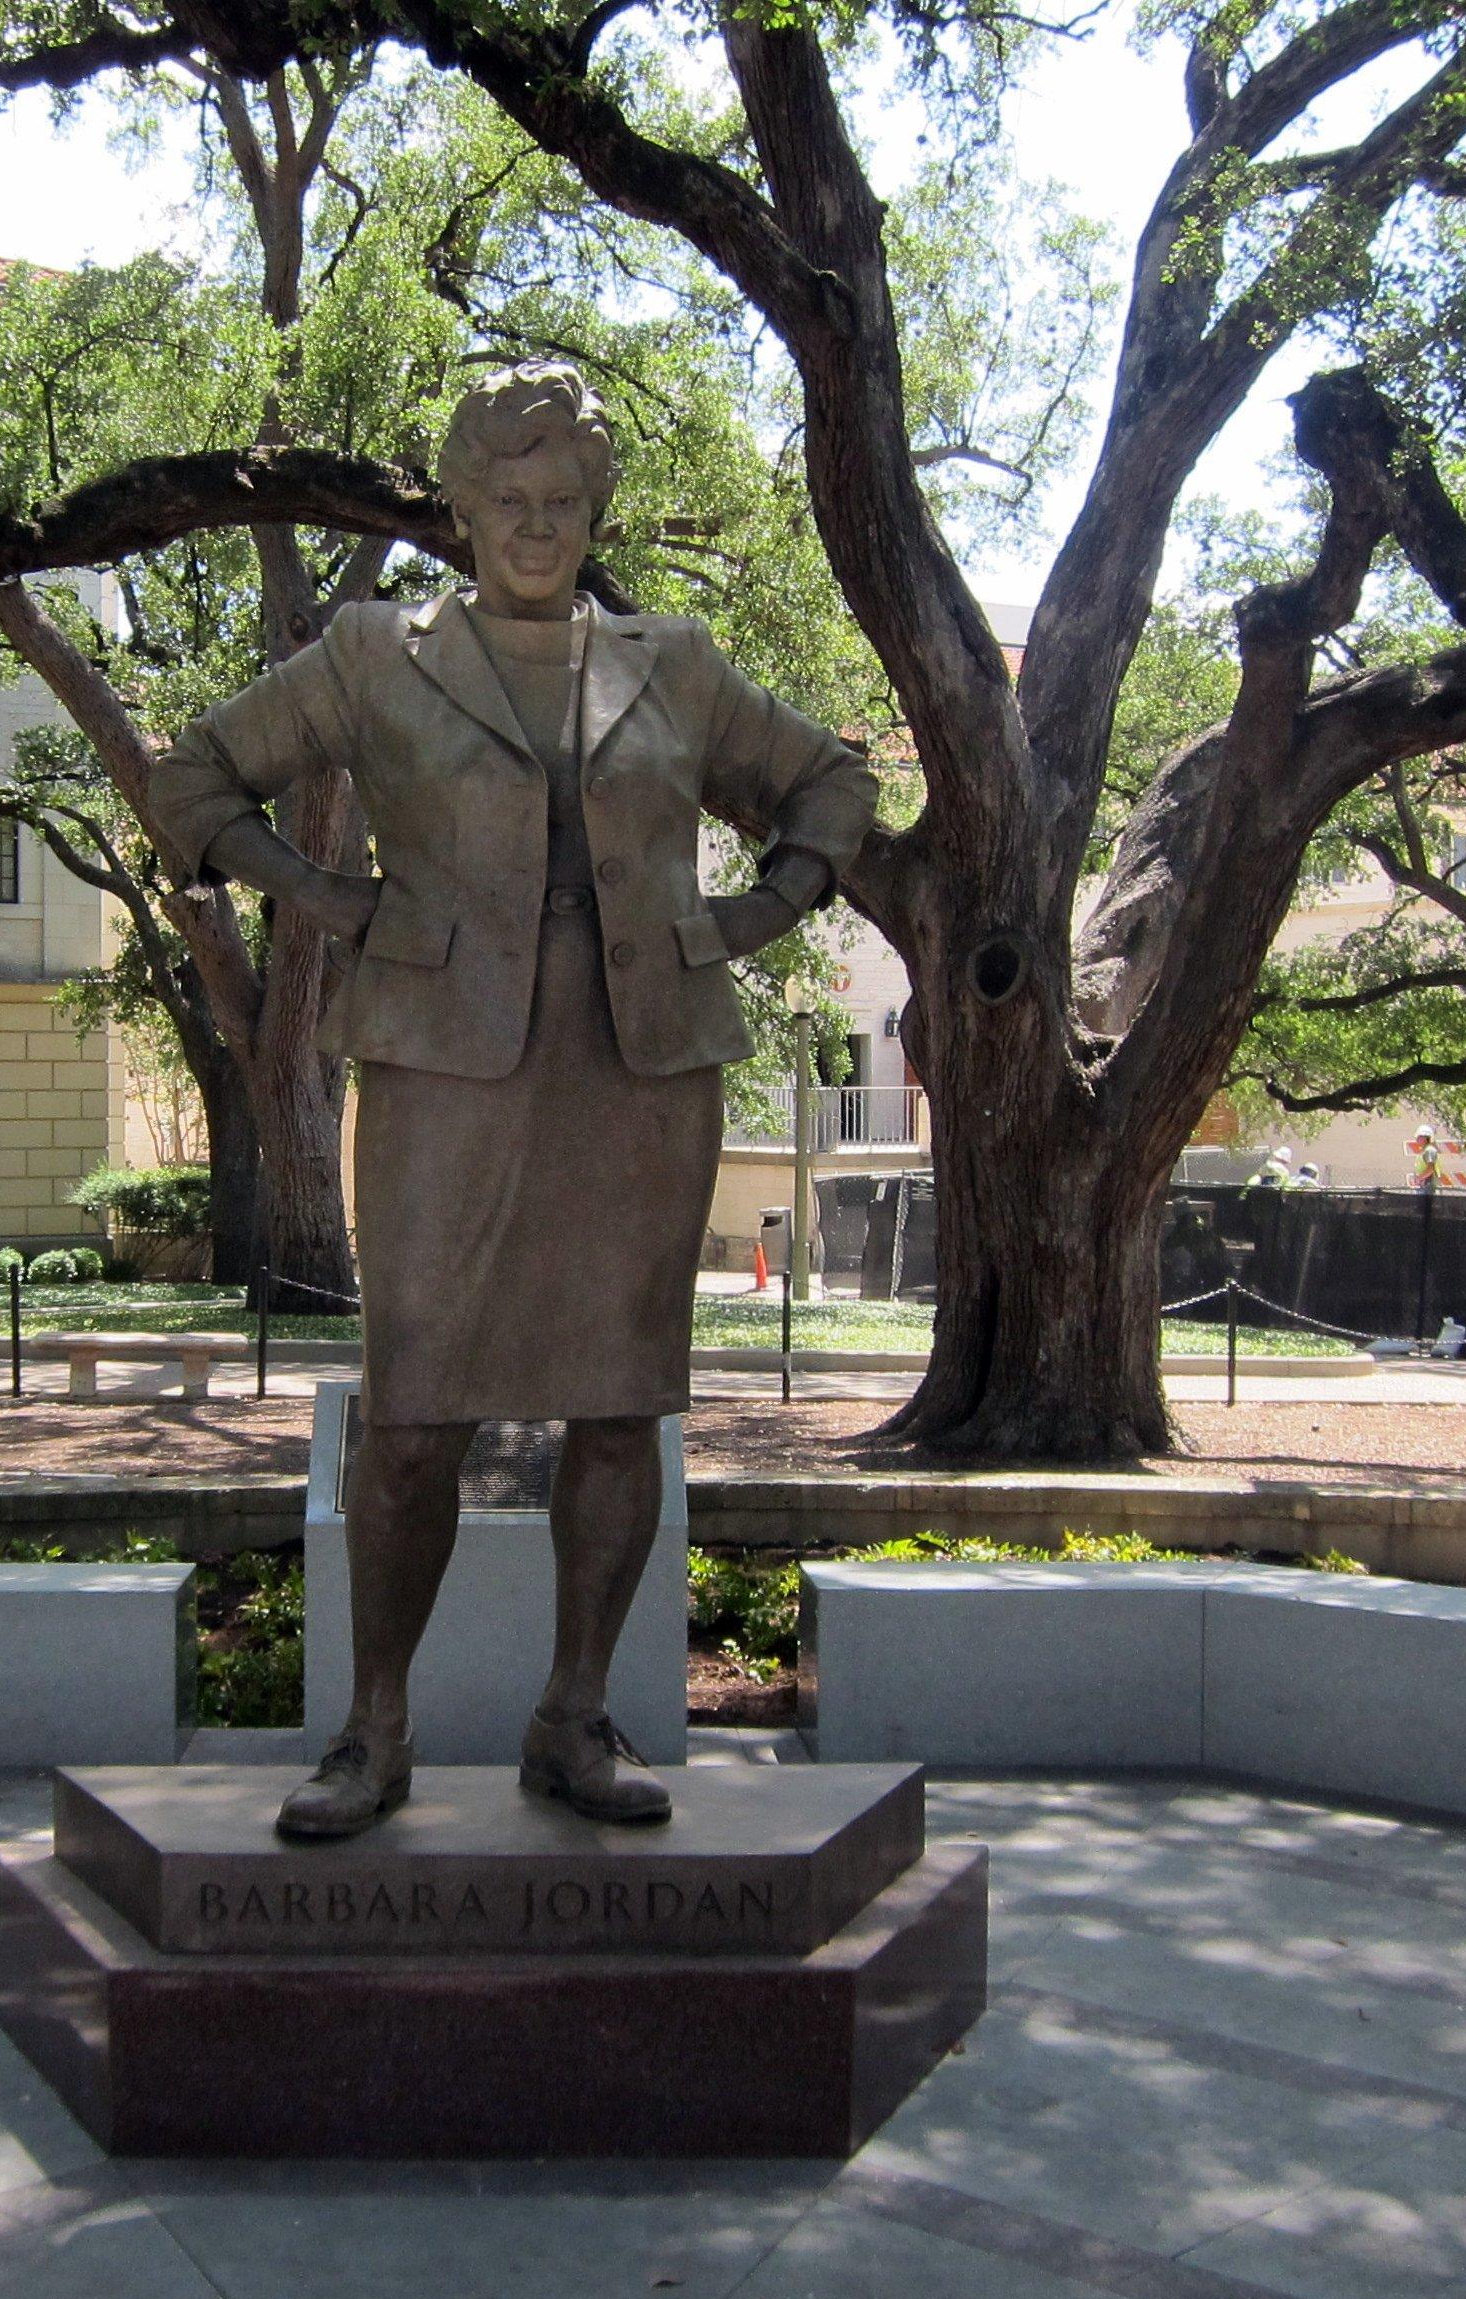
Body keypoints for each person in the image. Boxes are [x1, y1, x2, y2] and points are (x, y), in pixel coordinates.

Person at [145, 364, 875, 1839]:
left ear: (595, 509)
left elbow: (832, 779)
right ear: (463, 509)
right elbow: (196, 774)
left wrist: (748, 916)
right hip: (436, 1067)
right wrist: (324, 900)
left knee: (619, 1408)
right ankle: (374, 1731)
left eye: (563, 503)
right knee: (415, 1414)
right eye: (508, 502)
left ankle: (578, 1715)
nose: (536, 528)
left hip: (637, 1071)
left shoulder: (674, 662)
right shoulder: (372, 652)